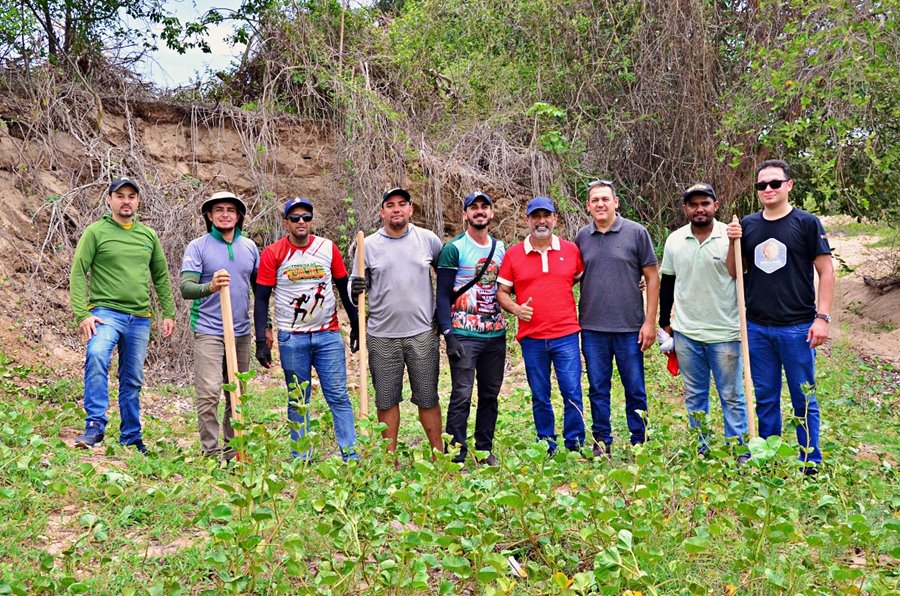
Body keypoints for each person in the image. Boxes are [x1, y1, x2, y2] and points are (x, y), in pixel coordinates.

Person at [726, 159, 835, 473]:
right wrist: (732, 242)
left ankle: (810, 461)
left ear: (789, 185)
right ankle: (766, 457)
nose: (768, 189)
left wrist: (822, 317)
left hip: (797, 327)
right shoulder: (748, 225)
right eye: (762, 185)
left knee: (804, 398)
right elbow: (735, 271)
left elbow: (826, 271)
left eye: (775, 183)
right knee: (765, 397)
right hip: (757, 327)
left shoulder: (806, 223)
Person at [70, 177, 176, 453]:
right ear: (110, 200)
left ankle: (130, 436)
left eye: (131, 196)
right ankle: (95, 425)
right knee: (97, 355)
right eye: (120, 196)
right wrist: (82, 313)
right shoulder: (95, 232)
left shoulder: (148, 236)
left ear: (138, 201)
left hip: (139, 317)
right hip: (105, 314)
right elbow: (78, 271)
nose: (126, 201)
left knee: (132, 378)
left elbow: (161, 276)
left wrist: (168, 312)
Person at [254, 197, 359, 461]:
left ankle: (350, 455)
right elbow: (262, 298)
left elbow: (343, 287)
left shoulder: (328, 248)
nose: (301, 222)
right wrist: (261, 340)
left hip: (328, 335)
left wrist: (356, 324)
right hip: (292, 337)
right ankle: (302, 458)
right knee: (298, 399)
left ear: (312, 221)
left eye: (306, 217)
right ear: (286, 222)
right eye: (295, 218)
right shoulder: (273, 253)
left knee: (338, 396)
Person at [351, 187, 444, 455]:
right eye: (390, 205)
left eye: (402, 204)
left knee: (427, 397)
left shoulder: (428, 240)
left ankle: (438, 456)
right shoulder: (367, 245)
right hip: (382, 335)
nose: (396, 209)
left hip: (422, 333)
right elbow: (354, 286)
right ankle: (388, 460)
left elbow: (446, 276)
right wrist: (354, 288)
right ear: (382, 212)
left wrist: (442, 313)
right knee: (386, 400)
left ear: (410, 209)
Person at [659, 183, 749, 457]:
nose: (699, 209)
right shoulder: (675, 240)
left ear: (715, 206)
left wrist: (735, 243)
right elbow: (668, 283)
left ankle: (739, 451)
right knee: (695, 395)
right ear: (685, 209)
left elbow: (741, 275)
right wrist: (665, 322)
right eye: (693, 204)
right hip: (687, 334)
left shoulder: (731, 235)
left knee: (732, 396)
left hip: (725, 333)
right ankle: (702, 449)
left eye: (705, 203)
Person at [576, 180, 658, 457]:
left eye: (605, 199)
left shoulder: (636, 232)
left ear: (616, 202)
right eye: (595, 200)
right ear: (588, 206)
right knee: (598, 388)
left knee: (635, 388)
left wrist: (650, 322)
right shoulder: (582, 237)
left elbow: (652, 277)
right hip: (592, 328)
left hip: (629, 327)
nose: (600, 204)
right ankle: (602, 441)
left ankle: (640, 440)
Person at [497, 197, 585, 455]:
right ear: (527, 220)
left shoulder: (571, 250)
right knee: (539, 394)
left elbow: (579, 279)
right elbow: (502, 292)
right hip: (532, 337)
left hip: (566, 334)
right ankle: (546, 443)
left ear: (555, 219)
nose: (541, 221)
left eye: (547, 216)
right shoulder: (514, 254)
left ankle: (575, 444)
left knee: (572, 391)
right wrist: (516, 309)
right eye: (536, 216)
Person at [180, 191, 260, 459]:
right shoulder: (198, 247)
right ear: (209, 215)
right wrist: (210, 286)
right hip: (208, 330)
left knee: (236, 391)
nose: (225, 214)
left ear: (238, 216)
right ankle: (211, 450)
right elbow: (186, 288)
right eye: (219, 210)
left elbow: (259, 289)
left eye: (230, 210)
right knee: (209, 392)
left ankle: (233, 449)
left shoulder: (249, 247)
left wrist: (266, 325)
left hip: (240, 331)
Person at [436, 191, 507, 465]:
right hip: (464, 333)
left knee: (490, 394)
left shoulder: (500, 248)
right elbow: (442, 295)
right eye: (473, 207)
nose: (479, 211)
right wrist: (449, 335)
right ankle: (456, 453)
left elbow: (507, 287)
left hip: (495, 333)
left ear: (492, 213)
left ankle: (484, 449)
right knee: (461, 394)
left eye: (484, 207)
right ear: (465, 214)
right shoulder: (454, 248)